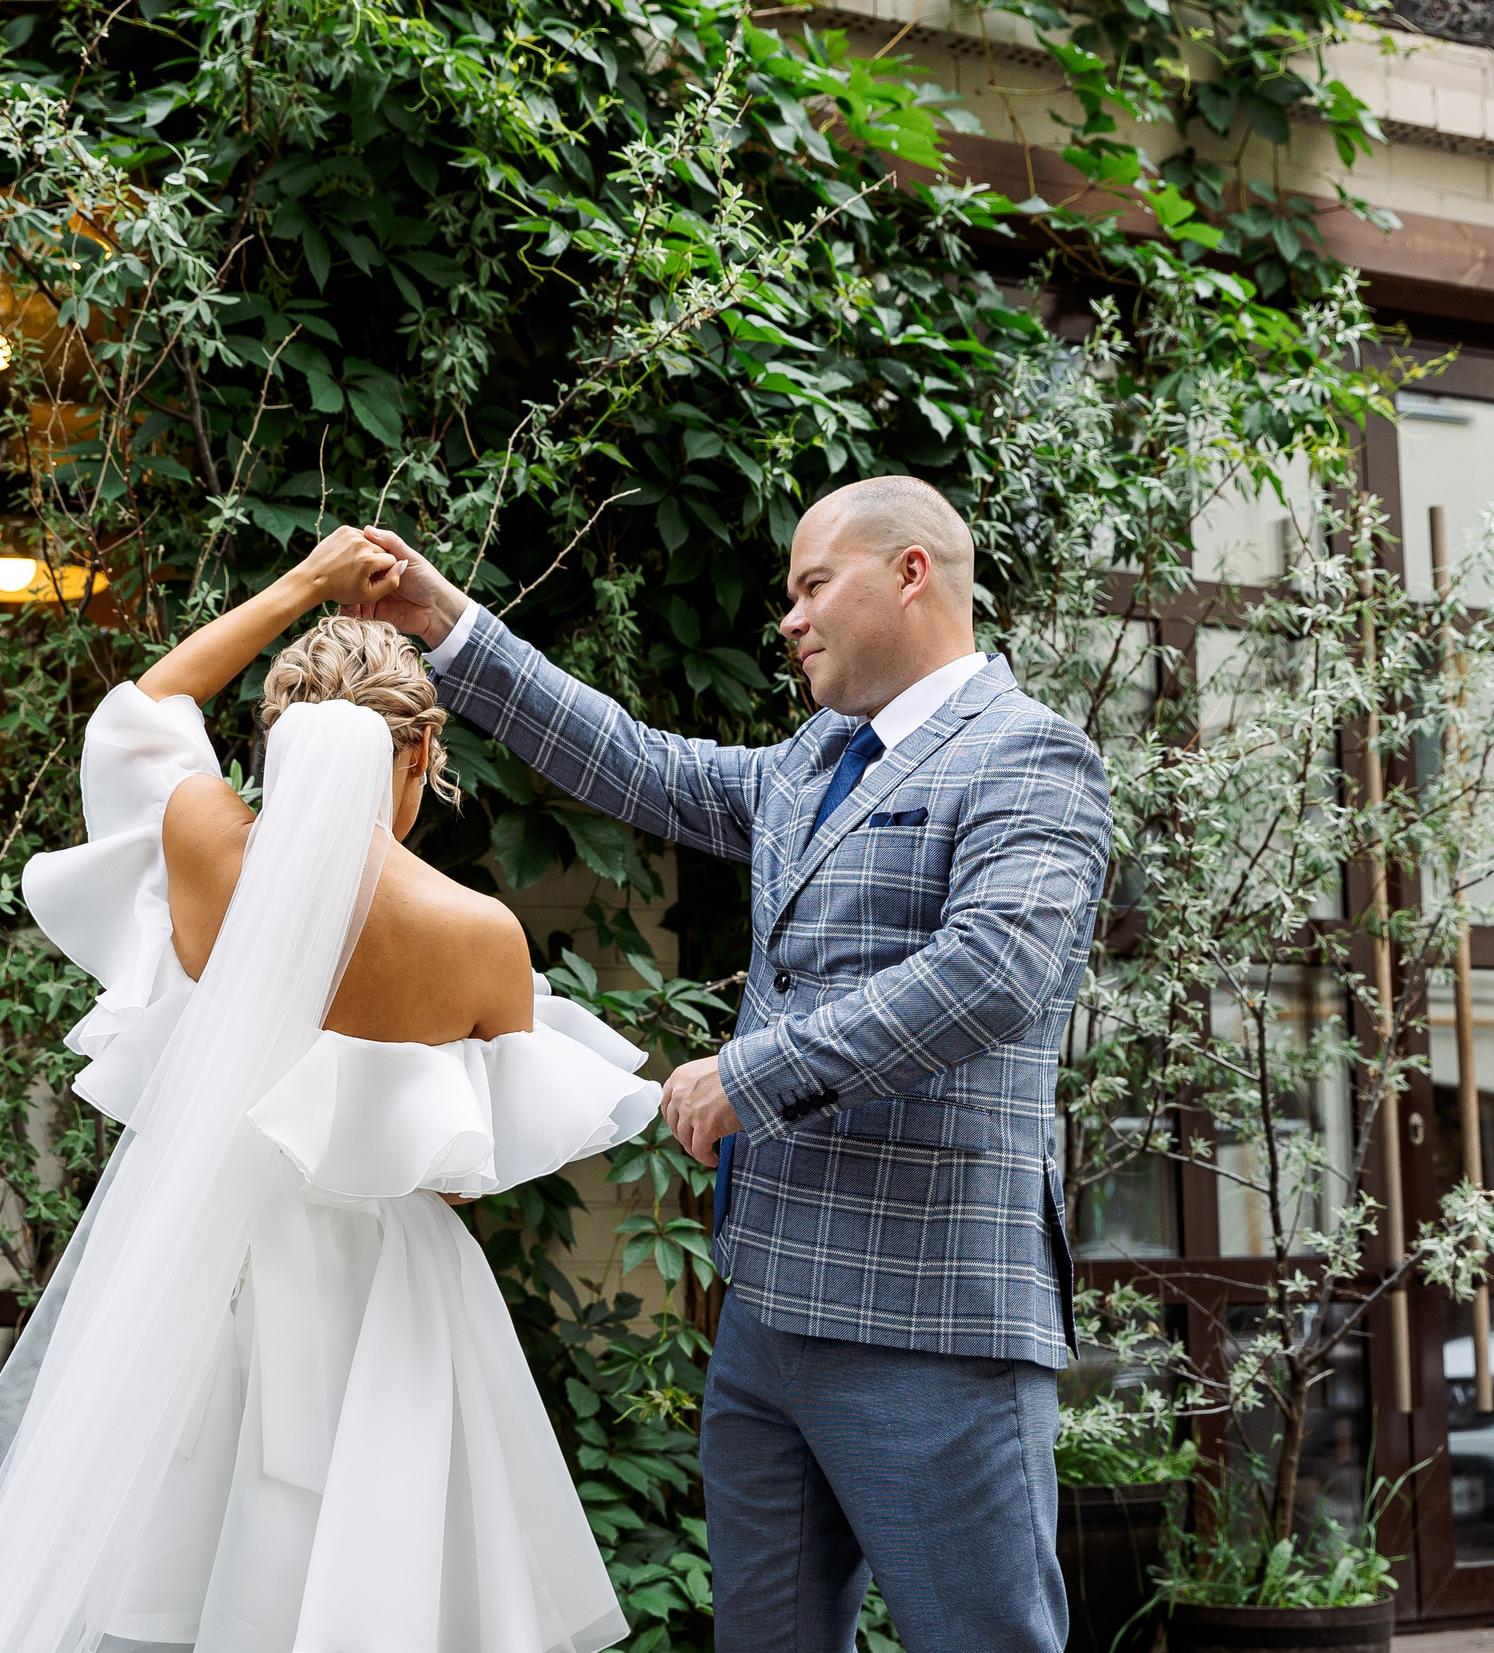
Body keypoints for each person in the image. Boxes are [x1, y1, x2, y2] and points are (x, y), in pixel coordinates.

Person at [0, 529, 661, 1653]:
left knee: (174, 1569)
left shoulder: (201, 843)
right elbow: (469, 1170)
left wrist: (305, 586)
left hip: (203, 1267)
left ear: (275, 741)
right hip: (390, 1300)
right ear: (425, 747)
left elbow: (141, 713)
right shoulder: (480, 940)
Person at [367, 476, 1112, 1653]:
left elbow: (993, 975)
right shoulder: (811, 761)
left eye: (813, 585)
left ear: (910, 573)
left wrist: (751, 1074)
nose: (789, 617)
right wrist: (443, 620)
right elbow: (639, 766)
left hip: (928, 1324)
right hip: (766, 1315)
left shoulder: (1030, 758)